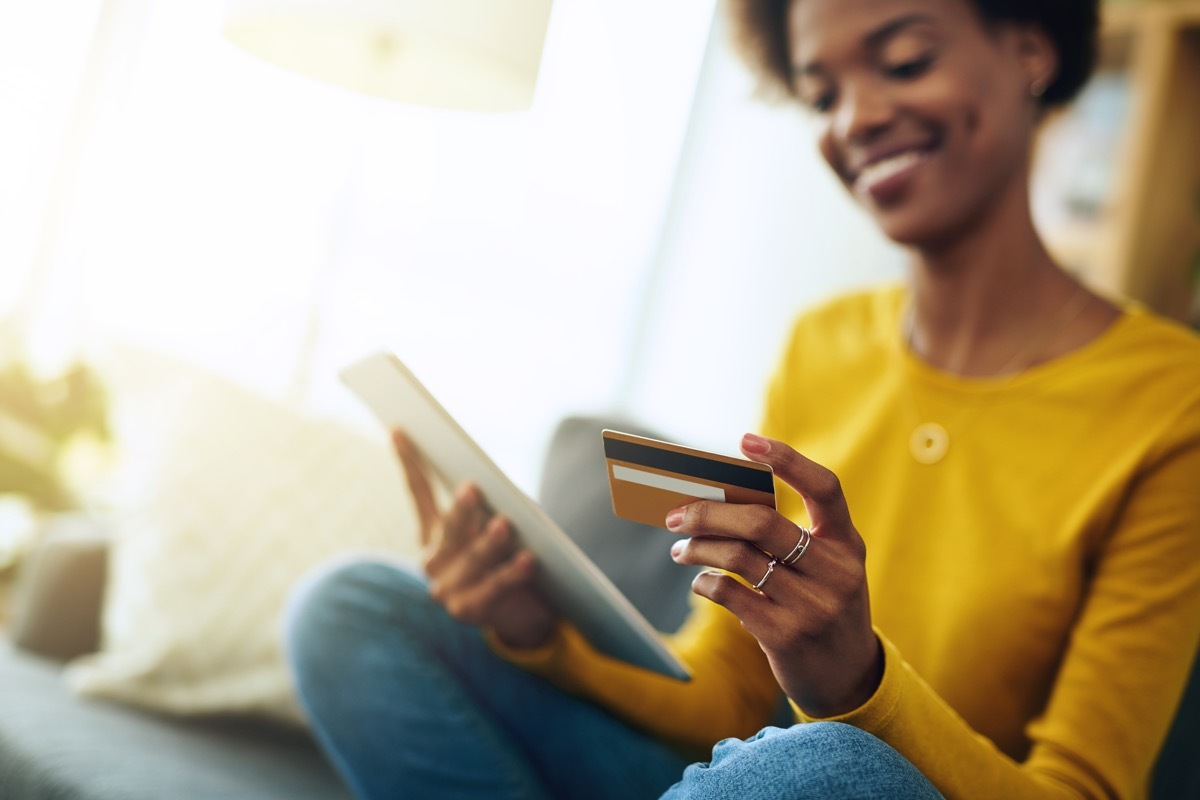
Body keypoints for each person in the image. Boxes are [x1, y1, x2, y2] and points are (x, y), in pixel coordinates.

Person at [284, 0, 1200, 797]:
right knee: (354, 606)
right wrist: (542, 636)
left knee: (829, 766)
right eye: (823, 92)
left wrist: (861, 688)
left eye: (905, 61)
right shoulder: (823, 343)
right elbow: (719, 691)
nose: (858, 118)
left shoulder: (1171, 402)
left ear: (1030, 49)